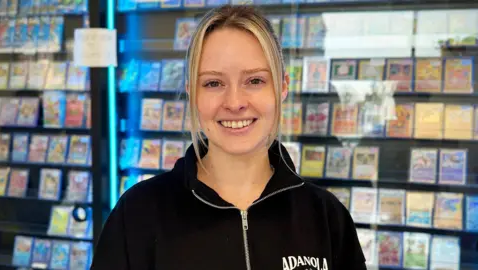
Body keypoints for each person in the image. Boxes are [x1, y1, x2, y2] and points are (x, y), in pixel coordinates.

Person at [91, 5, 366, 270]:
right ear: (192, 92)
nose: (234, 102)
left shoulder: (327, 218)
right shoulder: (137, 214)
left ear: (282, 87)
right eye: (213, 83)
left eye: (255, 80)